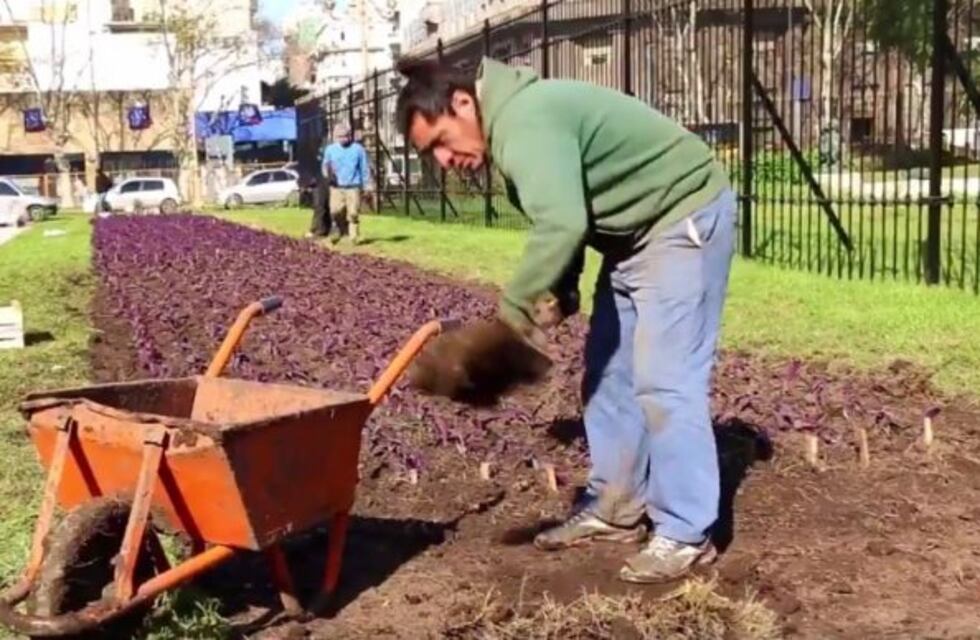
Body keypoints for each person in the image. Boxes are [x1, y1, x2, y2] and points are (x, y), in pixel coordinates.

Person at [395, 57, 736, 584]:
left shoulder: (524, 121)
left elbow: (562, 221)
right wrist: (564, 289)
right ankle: (617, 509)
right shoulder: (513, 128)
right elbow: (572, 214)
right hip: (631, 238)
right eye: (430, 154)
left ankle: (686, 532)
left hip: (680, 216)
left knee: (666, 382)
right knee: (607, 377)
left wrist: (507, 322)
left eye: (441, 141)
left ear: (464, 103)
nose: (444, 160)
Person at [322, 123, 371, 244]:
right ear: (336, 137)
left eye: (346, 136)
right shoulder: (330, 150)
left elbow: (364, 168)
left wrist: (367, 185)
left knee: (353, 212)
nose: (344, 139)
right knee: (335, 211)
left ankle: (354, 236)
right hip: (336, 186)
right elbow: (325, 165)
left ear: (350, 135)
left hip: (353, 186)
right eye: (340, 136)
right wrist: (327, 175)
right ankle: (338, 230)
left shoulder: (358, 149)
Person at [307, 135, 333, 238]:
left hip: (324, 181)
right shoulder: (313, 154)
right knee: (320, 205)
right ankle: (318, 228)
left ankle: (320, 229)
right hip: (318, 181)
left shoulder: (327, 150)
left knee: (322, 206)